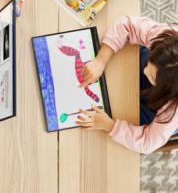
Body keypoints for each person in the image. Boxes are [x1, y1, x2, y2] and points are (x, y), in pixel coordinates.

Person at [75, 15, 178, 154]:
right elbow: (127, 24)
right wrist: (101, 60)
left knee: (124, 116)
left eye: (152, 76)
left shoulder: (173, 109)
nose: (145, 70)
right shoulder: (166, 40)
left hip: (162, 107)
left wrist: (109, 126)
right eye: (149, 61)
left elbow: (148, 142)